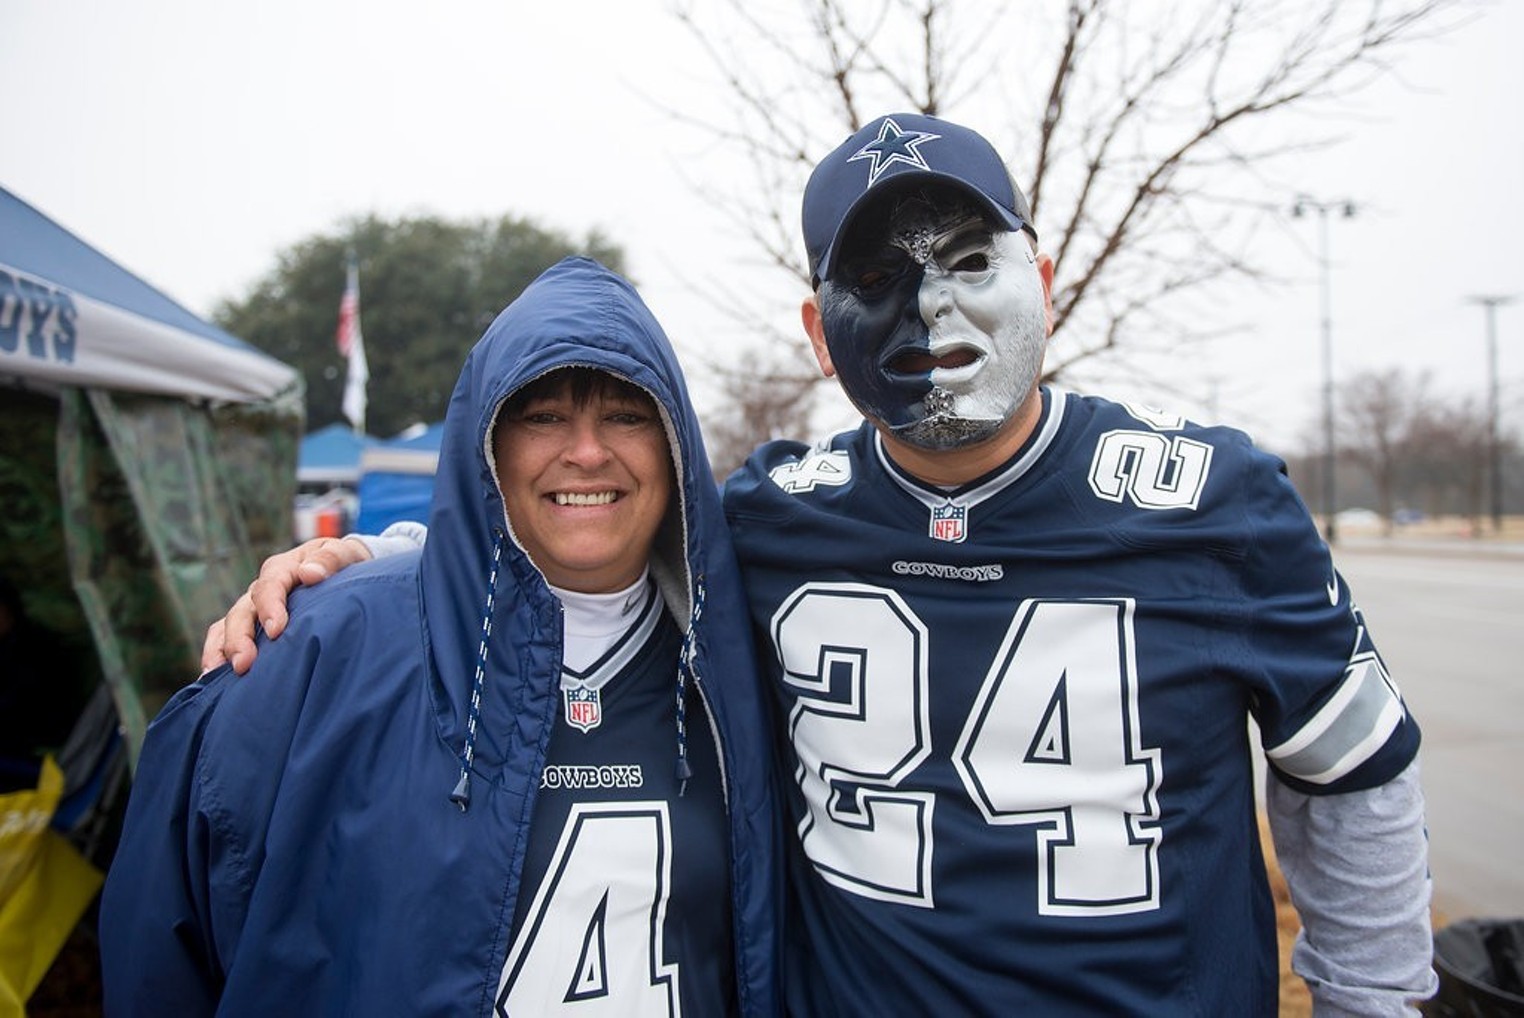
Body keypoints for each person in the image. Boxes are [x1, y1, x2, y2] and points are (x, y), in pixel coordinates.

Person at [207, 114, 1437, 1015]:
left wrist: (1373, 1004)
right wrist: (376, 555)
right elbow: (585, 532)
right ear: (817, 329)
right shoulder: (783, 515)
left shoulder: (1212, 502)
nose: (932, 312)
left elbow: (1356, 776)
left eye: (969, 259)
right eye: (876, 280)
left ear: (1041, 276)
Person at [100, 258, 781, 1016]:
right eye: (544, 415)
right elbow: (167, 942)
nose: (588, 452)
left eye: (627, 415)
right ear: (485, 441)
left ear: (676, 441)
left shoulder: (747, 663)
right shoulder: (313, 654)